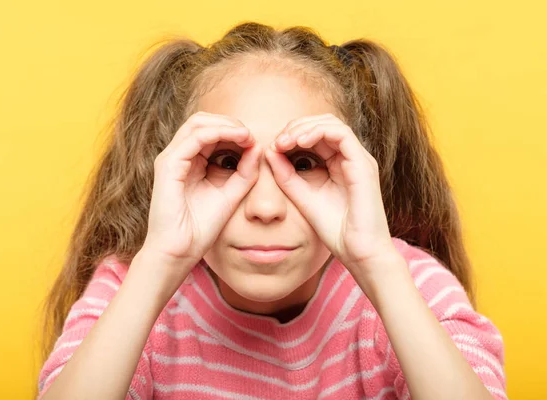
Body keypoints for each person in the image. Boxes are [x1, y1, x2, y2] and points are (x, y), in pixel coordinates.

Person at [35, 22, 506, 400]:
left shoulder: (408, 285)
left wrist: (378, 267)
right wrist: (158, 263)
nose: (264, 207)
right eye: (225, 161)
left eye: (304, 163)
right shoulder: (132, 288)